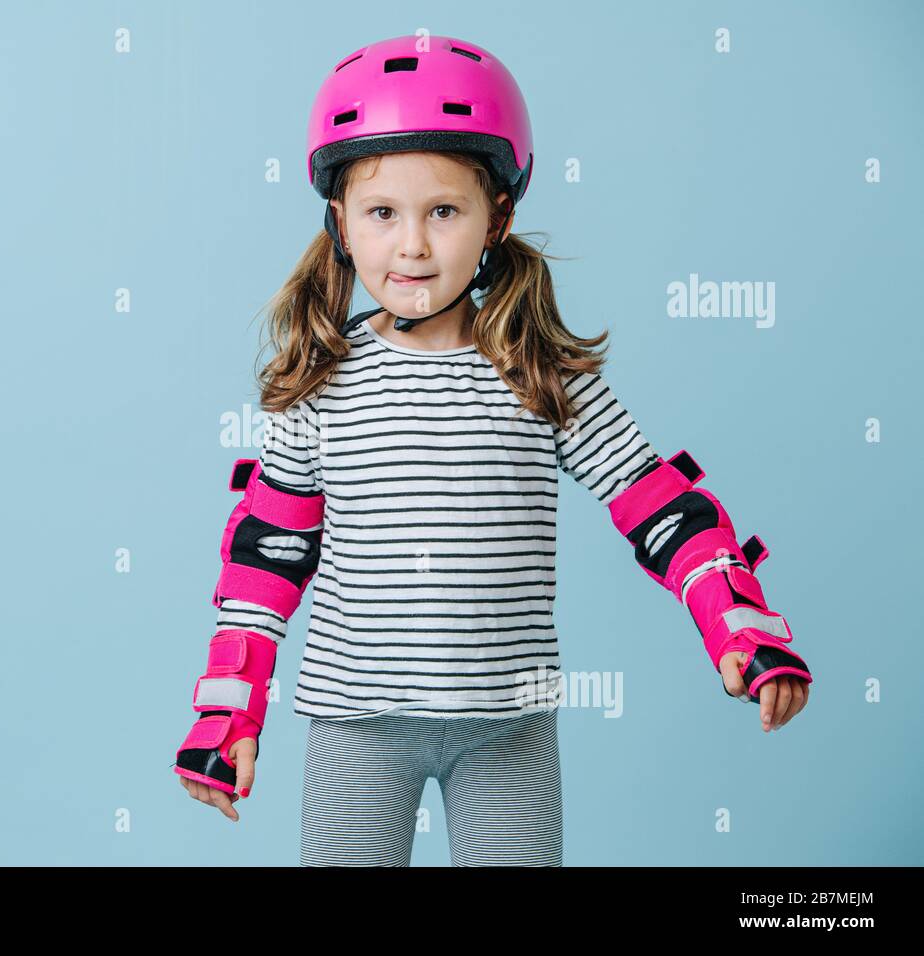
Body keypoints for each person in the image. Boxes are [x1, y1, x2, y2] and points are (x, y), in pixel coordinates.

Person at [172, 34, 813, 866]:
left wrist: (737, 622)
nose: (412, 245)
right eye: (381, 213)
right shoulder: (317, 383)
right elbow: (268, 554)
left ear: (496, 217)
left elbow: (656, 501)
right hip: (356, 723)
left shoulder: (537, 371)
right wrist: (230, 709)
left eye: (443, 211)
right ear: (339, 222)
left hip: (508, 722)